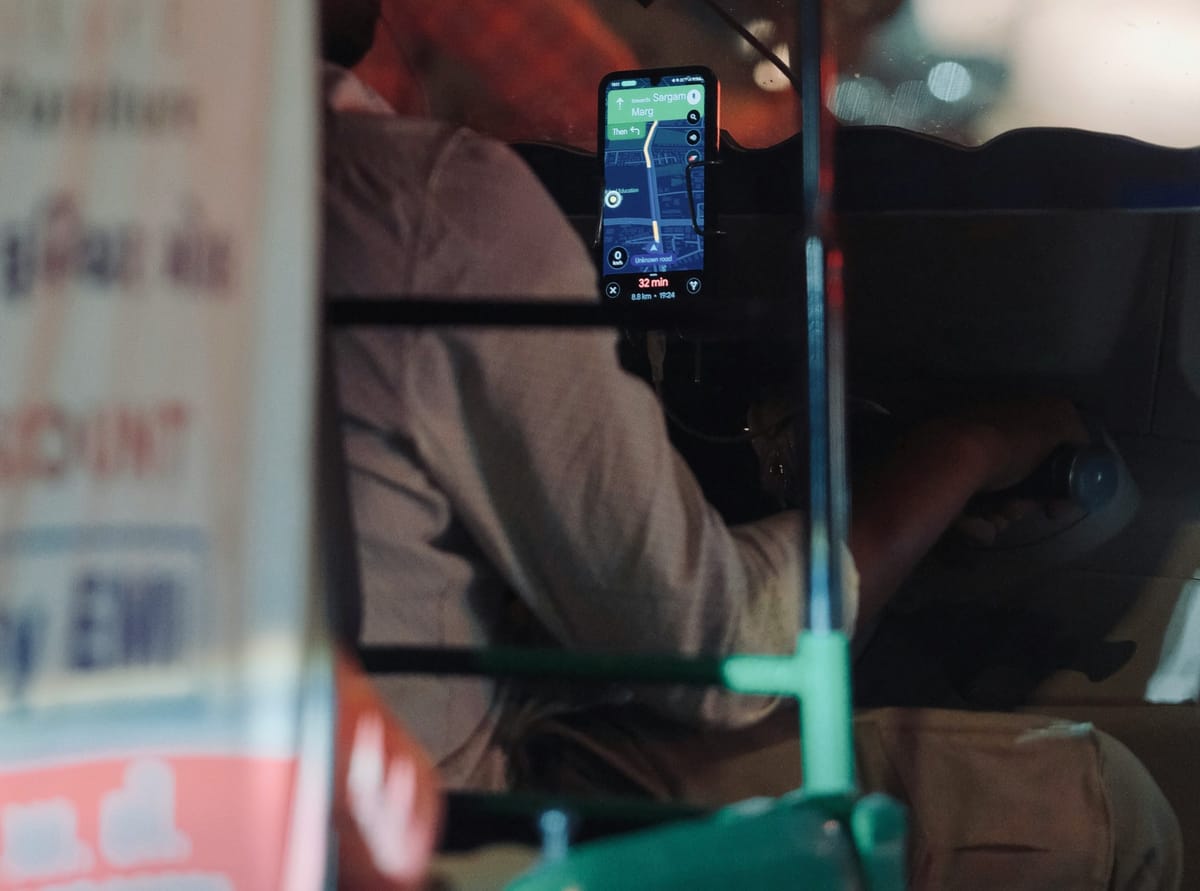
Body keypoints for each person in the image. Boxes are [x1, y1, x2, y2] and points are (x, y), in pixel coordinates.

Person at [319, 1, 1182, 886]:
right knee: (1109, 805)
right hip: (458, 825)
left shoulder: (217, 193)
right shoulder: (429, 202)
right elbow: (715, 650)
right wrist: (965, 452)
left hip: (368, 774)